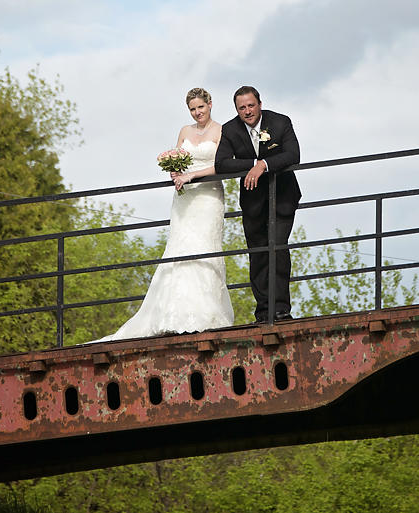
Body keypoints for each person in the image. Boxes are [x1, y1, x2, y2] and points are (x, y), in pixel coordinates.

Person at [95, 88, 234, 341]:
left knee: (204, 245)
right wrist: (175, 171)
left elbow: (222, 164)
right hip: (185, 198)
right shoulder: (185, 131)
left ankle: (207, 313)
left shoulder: (222, 131)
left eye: (200, 107)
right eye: (193, 109)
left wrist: (192, 175)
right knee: (179, 247)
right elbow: (180, 158)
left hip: (208, 194)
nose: (197, 112)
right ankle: (174, 313)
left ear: (210, 105)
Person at [215, 85, 301, 323]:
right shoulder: (230, 129)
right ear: (237, 110)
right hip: (252, 202)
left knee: (278, 248)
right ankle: (264, 311)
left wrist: (263, 165)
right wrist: (251, 162)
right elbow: (221, 163)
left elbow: (293, 154)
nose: (247, 111)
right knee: (258, 254)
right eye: (242, 107)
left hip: (283, 196)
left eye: (251, 105)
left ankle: (281, 310)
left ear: (260, 104)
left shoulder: (281, 122)